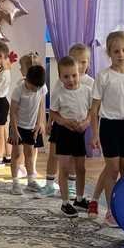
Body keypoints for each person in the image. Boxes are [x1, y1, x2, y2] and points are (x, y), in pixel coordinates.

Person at [87, 31, 124, 225]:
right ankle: (111, 211)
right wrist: (95, 134)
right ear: (109, 53)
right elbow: (94, 109)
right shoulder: (103, 76)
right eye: (116, 51)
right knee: (112, 170)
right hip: (109, 126)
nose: (121, 54)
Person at [38, 43, 94, 199]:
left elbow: (93, 108)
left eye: (83, 62)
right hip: (60, 125)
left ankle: (71, 186)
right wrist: (49, 122)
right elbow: (54, 105)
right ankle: (49, 184)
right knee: (54, 154)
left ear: (88, 63)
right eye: (76, 61)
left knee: (75, 159)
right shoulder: (61, 80)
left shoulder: (90, 83)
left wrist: (87, 123)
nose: (80, 65)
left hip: (78, 127)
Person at [49, 56, 92, 217]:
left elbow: (91, 111)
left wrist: (86, 123)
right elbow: (53, 113)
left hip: (80, 132)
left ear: (79, 73)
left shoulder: (87, 91)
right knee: (65, 169)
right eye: (66, 76)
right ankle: (65, 202)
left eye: (74, 75)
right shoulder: (58, 93)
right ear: (60, 77)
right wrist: (64, 121)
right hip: (64, 133)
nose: (71, 80)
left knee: (81, 168)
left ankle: (79, 199)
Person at [8, 65, 47, 195]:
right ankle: (15, 183)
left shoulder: (41, 87)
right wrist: (14, 131)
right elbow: (13, 112)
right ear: (27, 80)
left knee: (29, 154)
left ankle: (31, 182)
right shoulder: (18, 90)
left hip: (31, 126)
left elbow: (41, 104)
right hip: (17, 126)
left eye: (38, 88)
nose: (36, 90)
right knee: (17, 154)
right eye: (33, 87)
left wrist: (40, 122)